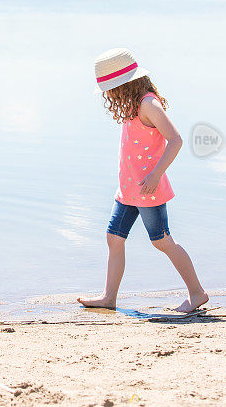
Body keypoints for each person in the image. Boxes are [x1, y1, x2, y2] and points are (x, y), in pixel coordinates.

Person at [77, 48, 208, 313]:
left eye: (111, 88)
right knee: (114, 238)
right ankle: (109, 297)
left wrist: (156, 174)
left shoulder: (148, 104)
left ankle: (197, 293)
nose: (108, 94)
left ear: (126, 84)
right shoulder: (133, 105)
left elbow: (176, 140)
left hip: (148, 190)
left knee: (162, 241)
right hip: (127, 190)